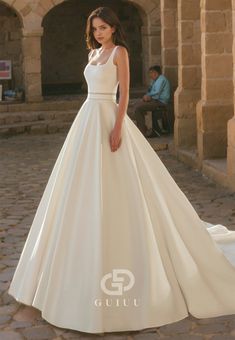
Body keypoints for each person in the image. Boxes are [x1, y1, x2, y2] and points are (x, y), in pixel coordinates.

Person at [8, 5, 235, 335]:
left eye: (104, 27)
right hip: (86, 122)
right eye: (95, 28)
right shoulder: (92, 55)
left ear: (114, 28)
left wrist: (117, 127)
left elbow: (126, 92)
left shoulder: (120, 53)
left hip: (109, 118)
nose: (100, 32)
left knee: (119, 183)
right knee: (76, 188)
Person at [130, 65, 171, 137]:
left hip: (160, 102)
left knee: (138, 108)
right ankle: (144, 129)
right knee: (136, 105)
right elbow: (150, 90)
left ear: (155, 73)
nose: (150, 75)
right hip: (155, 100)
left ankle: (143, 132)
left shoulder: (161, 79)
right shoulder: (155, 80)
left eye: (151, 73)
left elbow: (157, 92)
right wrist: (147, 96)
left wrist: (149, 96)